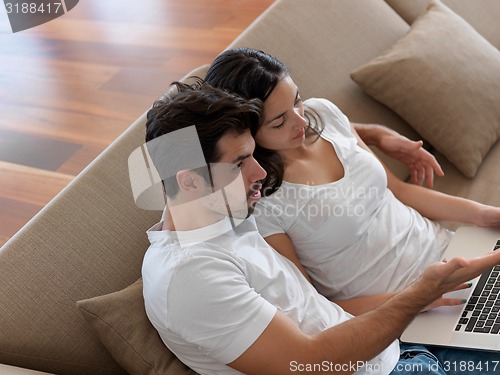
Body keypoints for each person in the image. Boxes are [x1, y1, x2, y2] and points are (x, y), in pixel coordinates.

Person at [141, 81, 500, 375]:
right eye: (239, 164)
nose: (261, 173)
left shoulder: (221, 214)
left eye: (253, 155)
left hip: (399, 351)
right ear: (189, 182)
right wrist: (421, 293)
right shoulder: (191, 276)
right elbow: (309, 363)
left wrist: (374, 134)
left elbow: (315, 135)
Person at [204, 47, 500, 313]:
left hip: (450, 250)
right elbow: (316, 305)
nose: (301, 121)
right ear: (246, 132)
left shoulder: (325, 113)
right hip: (412, 308)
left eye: (297, 102)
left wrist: (483, 215)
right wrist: (416, 299)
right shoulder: (263, 200)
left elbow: (399, 191)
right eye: (280, 122)